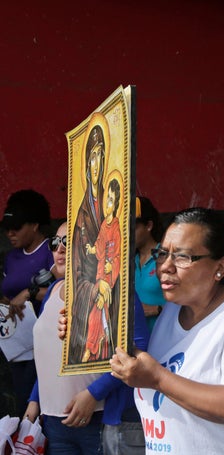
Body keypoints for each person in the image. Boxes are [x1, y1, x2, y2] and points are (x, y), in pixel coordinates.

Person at [109, 207, 224, 454]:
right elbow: (135, 359)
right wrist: (83, 331)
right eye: (162, 254)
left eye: (182, 257)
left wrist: (158, 378)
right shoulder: (171, 311)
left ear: (220, 267)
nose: (165, 267)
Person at [26, 222, 105, 454]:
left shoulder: (110, 289)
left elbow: (135, 349)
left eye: (68, 242)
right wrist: (34, 400)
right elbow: (48, 355)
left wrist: (93, 395)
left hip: (96, 416)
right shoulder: (52, 290)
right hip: (53, 419)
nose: (59, 250)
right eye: (55, 242)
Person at [0, 189, 54, 417]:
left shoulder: (52, 251)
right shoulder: (11, 257)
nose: (10, 234)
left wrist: (29, 293)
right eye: (7, 229)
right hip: (13, 343)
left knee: (36, 405)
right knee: (16, 404)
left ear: (34, 225)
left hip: (44, 342)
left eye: (17, 228)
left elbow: (62, 292)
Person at [70, 119, 108, 365]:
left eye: (100, 156)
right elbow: (77, 272)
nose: (96, 164)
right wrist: (94, 290)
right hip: (93, 298)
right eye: (92, 157)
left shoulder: (110, 204)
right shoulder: (82, 217)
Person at [83, 177, 122, 362]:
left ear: (116, 204)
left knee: (99, 311)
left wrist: (112, 264)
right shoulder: (103, 226)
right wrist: (92, 249)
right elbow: (99, 246)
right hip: (99, 273)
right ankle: (94, 346)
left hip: (108, 275)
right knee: (95, 313)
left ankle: (93, 347)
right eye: (106, 199)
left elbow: (118, 254)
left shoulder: (115, 226)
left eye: (111, 201)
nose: (107, 204)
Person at [134, 196, 166, 332]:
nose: (127, 233)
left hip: (163, 341)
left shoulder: (166, 257)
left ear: (149, 226)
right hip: (135, 345)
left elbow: (188, 302)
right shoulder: (126, 262)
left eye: (133, 227)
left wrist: (157, 309)